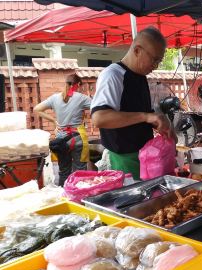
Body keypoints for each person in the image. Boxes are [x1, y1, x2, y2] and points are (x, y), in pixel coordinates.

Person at [91, 26, 175, 180]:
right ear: (137, 50)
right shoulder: (113, 75)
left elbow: (136, 114)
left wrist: (160, 123)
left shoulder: (140, 77)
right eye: (154, 59)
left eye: (159, 61)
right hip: (122, 160)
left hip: (143, 156)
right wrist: (146, 117)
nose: (155, 66)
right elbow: (99, 118)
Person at [34, 74, 91, 186]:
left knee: (64, 171)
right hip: (77, 138)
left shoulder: (55, 98)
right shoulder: (82, 98)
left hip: (61, 139)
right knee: (81, 171)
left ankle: (64, 196)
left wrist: (54, 121)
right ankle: (79, 197)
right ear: (78, 84)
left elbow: (37, 109)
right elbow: (99, 106)